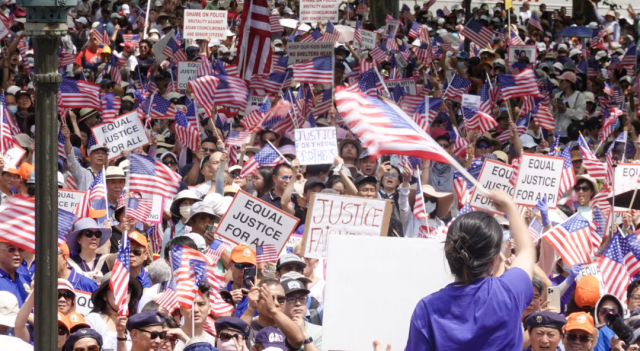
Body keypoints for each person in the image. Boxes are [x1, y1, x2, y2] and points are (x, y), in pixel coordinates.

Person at [405, 191, 535, 350]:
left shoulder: (427, 309)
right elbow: (527, 251)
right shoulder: (509, 292)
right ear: (493, 259)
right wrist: (511, 208)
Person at [85, 272, 142, 350]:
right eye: (117, 289)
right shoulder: (93, 320)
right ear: (104, 296)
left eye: (127, 290)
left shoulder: (136, 324)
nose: (123, 294)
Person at [280, 278, 322, 351]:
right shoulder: (273, 331)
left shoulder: (319, 331)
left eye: (302, 298)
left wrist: (304, 335)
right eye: (291, 298)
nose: (298, 303)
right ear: (281, 302)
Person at [162, 190, 202, 256]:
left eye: (191, 203)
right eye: (184, 203)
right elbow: (164, 258)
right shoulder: (170, 232)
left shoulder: (201, 229)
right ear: (179, 207)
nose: (188, 206)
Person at [227, 245, 257, 318]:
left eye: (249, 266)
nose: (244, 270)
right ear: (230, 265)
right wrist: (227, 303)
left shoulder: (262, 295)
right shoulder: (221, 294)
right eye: (239, 265)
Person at [0, 239, 31, 306]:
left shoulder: (24, 277)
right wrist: (31, 316)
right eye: (11, 249)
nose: (17, 253)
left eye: (20, 249)